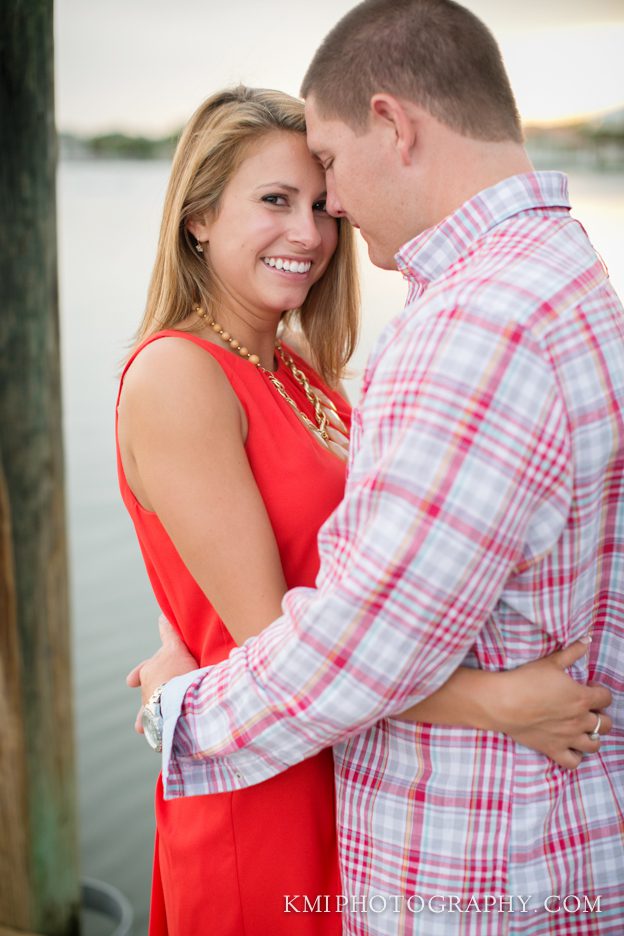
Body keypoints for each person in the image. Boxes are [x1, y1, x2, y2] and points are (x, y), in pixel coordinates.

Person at [123, 44, 619, 933]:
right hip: (264, 788)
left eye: (320, 205)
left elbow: (310, 568)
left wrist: (174, 630)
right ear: (198, 218)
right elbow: (274, 631)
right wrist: (497, 704)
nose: (311, 234)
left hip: (344, 761)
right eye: (274, 202)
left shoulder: (302, 371)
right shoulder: (176, 377)